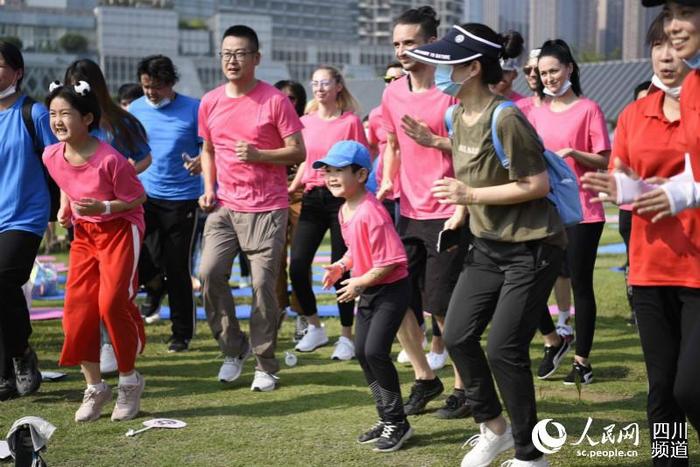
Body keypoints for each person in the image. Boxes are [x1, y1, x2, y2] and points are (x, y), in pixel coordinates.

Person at [408, 22, 565, 467]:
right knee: (456, 336)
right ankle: (494, 427)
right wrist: (461, 211)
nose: (439, 73)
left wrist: (469, 197)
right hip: (486, 246)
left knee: (504, 350)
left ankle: (531, 455)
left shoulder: (508, 116)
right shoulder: (455, 116)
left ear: (473, 68)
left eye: (448, 65)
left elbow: (534, 184)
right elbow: (470, 169)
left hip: (532, 248)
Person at [584, 4, 700, 463]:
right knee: (662, 386)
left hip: (698, 269)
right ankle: (668, 460)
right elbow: (625, 176)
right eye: (658, 45)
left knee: (690, 387)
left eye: (675, 44)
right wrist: (620, 187)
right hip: (651, 267)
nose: (666, 55)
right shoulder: (634, 114)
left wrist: (682, 193)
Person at [198, 25, 305, 392]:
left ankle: (264, 363)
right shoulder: (210, 101)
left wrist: (261, 155)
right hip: (225, 206)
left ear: (256, 58)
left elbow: (298, 151)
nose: (232, 60)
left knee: (262, 285)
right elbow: (208, 150)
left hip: (267, 207)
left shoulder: (275, 101)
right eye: (226, 53)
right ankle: (234, 348)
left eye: (240, 53)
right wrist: (208, 187)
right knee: (209, 274)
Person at [377, 5, 469, 418]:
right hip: (407, 211)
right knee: (394, 299)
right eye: (397, 43)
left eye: (409, 42)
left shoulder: (455, 91)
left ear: (431, 43)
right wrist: (386, 183)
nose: (401, 50)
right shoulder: (392, 92)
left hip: (448, 210)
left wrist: (435, 142)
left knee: (442, 306)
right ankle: (424, 377)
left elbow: (475, 149)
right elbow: (393, 144)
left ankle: (464, 388)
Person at [43, 81, 146, 422]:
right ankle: (95, 388)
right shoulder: (51, 154)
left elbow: (137, 198)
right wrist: (66, 206)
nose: (57, 121)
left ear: (87, 118)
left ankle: (130, 382)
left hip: (120, 229)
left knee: (112, 304)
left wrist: (102, 207)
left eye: (65, 114)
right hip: (85, 234)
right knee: (76, 311)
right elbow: (67, 184)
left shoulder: (110, 160)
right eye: (53, 114)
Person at [317, 140, 413, 452]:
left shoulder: (373, 212)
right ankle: (387, 418)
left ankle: (398, 423)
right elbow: (357, 249)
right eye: (327, 170)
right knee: (362, 352)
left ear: (361, 175)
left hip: (391, 289)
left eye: (338, 171)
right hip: (371, 288)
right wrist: (342, 265)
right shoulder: (346, 209)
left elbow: (391, 261)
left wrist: (358, 283)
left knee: (375, 352)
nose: (330, 176)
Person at [528, 39, 611, 385]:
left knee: (580, 284)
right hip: (543, 211)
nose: (548, 77)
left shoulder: (589, 109)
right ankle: (554, 341)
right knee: (528, 283)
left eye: (554, 70)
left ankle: (582, 361)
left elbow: (605, 160)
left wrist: (574, 153)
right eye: (543, 72)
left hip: (583, 212)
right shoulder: (534, 113)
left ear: (569, 69)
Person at [64, 59, 152, 374]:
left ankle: (127, 335)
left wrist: (124, 174)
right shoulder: (71, 124)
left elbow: (144, 159)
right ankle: (105, 345)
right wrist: (65, 203)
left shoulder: (119, 123)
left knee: (114, 295)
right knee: (87, 295)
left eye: (81, 85)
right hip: (85, 221)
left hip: (121, 216)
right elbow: (67, 168)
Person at [289, 66, 368, 361]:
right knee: (297, 265)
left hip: (341, 200)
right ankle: (315, 326)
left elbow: (362, 160)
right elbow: (305, 164)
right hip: (311, 198)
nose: (319, 88)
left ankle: (347, 336)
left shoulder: (350, 122)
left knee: (341, 269)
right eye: (315, 83)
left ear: (338, 87)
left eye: (325, 83)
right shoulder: (304, 122)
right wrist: (292, 189)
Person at [128, 54, 202, 353]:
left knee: (178, 267)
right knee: (138, 260)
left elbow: (209, 149)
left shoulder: (194, 109)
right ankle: (154, 284)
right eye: (146, 86)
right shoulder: (134, 109)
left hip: (182, 200)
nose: (150, 92)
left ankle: (181, 333)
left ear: (171, 83)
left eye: (156, 87)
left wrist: (200, 162)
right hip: (144, 197)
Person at [0, 40, 55, 401]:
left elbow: (58, 161)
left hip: (25, 216)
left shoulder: (32, 113)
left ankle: (19, 357)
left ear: (17, 72)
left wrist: (64, 209)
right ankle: (8, 369)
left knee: (2, 278)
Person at [273, 79, 307, 341]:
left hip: (300, 195)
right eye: (281, 97)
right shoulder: (266, 126)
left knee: (299, 259)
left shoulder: (307, 125)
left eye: (292, 98)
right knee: (272, 259)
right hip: (271, 194)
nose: (286, 102)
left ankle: (303, 312)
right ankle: (276, 308)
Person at [619, 80, 653, 328]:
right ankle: (637, 309)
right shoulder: (629, 128)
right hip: (631, 210)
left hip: (662, 207)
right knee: (634, 261)